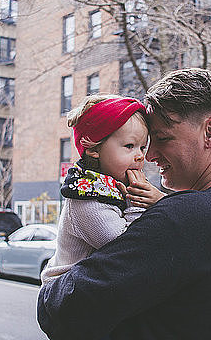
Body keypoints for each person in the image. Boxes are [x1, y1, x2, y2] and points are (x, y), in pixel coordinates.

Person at [38, 68, 211, 340]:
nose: (149, 155)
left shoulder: (185, 217)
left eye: (163, 139)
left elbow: (59, 311)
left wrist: (50, 290)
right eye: (143, 143)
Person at [41, 95, 164, 284]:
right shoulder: (86, 199)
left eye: (142, 147)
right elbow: (126, 249)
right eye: (129, 146)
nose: (140, 156)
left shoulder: (112, 188)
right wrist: (137, 203)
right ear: (93, 148)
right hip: (68, 296)